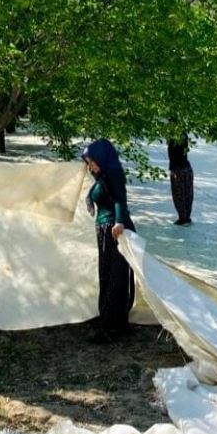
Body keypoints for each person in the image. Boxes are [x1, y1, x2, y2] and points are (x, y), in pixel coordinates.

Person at [82, 139, 136, 343]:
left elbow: (120, 199)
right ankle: (110, 320)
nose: (90, 166)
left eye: (92, 162)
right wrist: (89, 197)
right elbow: (100, 190)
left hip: (115, 231)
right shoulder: (102, 177)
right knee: (107, 275)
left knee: (116, 277)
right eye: (88, 162)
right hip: (104, 230)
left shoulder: (113, 174)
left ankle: (112, 326)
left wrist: (119, 222)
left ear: (103, 159)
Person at [167, 134, 193, 225]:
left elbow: (173, 156)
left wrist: (172, 169)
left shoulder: (172, 138)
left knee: (179, 194)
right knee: (188, 193)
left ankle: (183, 218)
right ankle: (187, 217)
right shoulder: (184, 135)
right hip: (187, 167)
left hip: (177, 170)